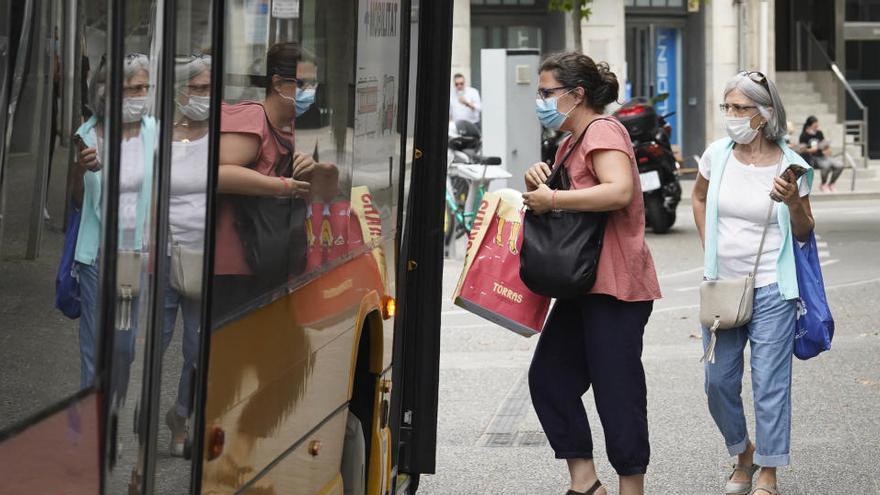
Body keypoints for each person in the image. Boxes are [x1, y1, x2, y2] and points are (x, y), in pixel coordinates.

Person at [522, 52, 661, 495]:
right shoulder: (569, 141)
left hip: (616, 286)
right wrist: (540, 183)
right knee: (550, 379)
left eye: (547, 93)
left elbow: (618, 191)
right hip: (581, 283)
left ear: (576, 94)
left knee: (616, 391)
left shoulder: (602, 130)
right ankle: (585, 483)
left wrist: (555, 201)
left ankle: (630, 488)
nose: (540, 101)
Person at [692, 71, 814, 495]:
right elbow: (699, 197)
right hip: (722, 286)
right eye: (726, 107)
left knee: (769, 382)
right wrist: (710, 246)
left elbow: (803, 231)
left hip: (772, 287)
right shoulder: (716, 155)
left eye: (740, 108)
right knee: (717, 381)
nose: (731, 116)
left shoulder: (791, 164)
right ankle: (742, 450)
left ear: (764, 114)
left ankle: (768, 470)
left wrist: (793, 200)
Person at [75, 53, 155, 407]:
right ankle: (88, 437)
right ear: (110, 93)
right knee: (94, 348)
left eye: (144, 88)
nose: (141, 96)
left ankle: (110, 411)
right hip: (97, 256)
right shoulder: (88, 134)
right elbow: (76, 201)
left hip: (138, 252)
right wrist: (84, 169)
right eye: (133, 89)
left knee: (124, 348)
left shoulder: (155, 132)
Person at [161, 54, 211, 457]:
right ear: (180, 92)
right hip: (160, 256)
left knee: (197, 350)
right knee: (149, 346)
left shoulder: (222, 138)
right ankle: (130, 421)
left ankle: (181, 418)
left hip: (201, 258)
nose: (204, 97)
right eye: (197, 89)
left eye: (209, 89)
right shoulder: (158, 134)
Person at [799, 115, 843, 192]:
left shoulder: (819, 133)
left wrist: (826, 148)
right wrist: (810, 150)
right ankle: (823, 184)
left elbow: (824, 143)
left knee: (839, 165)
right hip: (812, 157)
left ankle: (831, 184)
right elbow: (802, 149)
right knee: (826, 166)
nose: (817, 126)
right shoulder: (804, 135)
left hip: (822, 155)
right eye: (815, 124)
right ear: (810, 124)